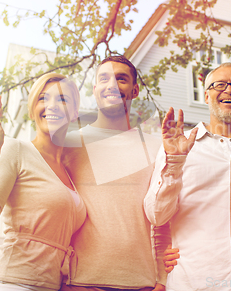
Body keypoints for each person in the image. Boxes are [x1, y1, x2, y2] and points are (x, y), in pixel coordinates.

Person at [144, 63, 231, 290]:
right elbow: (156, 216)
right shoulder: (178, 146)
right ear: (206, 96)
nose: (229, 90)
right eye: (219, 85)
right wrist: (174, 161)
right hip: (195, 283)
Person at [60, 56, 184, 291]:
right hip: (79, 282)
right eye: (104, 78)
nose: (112, 85)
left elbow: (161, 219)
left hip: (141, 284)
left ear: (135, 90)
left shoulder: (156, 146)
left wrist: (162, 280)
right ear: (95, 88)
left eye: (121, 79)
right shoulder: (70, 144)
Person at [0, 74, 86, 291]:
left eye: (62, 99)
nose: (52, 105)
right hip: (12, 283)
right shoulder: (16, 150)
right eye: (43, 98)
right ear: (32, 109)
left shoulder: (72, 172)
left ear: (74, 113)